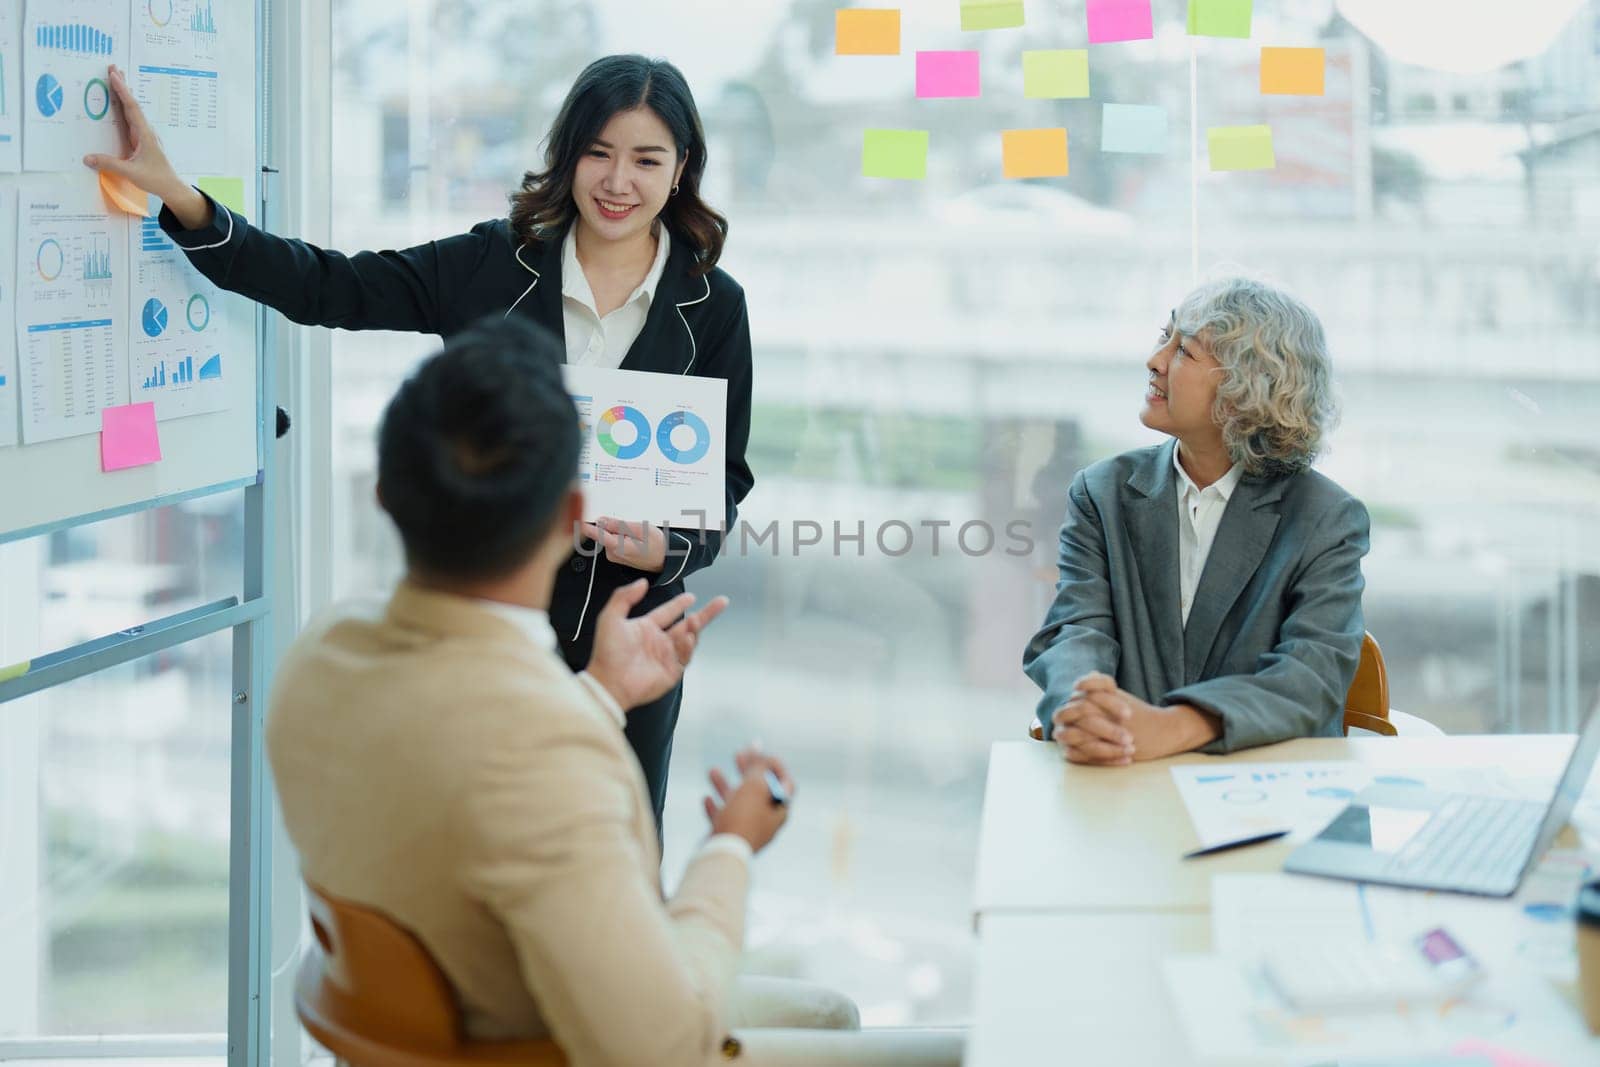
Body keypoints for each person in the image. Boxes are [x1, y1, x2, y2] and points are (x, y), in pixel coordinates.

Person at [86, 54, 750, 832]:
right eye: (598, 152)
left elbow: (723, 485)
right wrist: (182, 199)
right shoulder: (492, 265)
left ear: (681, 172)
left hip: (632, 635)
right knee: (470, 859)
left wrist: (662, 548)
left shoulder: (714, 306)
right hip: (487, 628)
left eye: (646, 160)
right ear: (568, 154)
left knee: (614, 867)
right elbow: (325, 284)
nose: (617, 181)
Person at [1023, 276, 1370, 765]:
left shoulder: (1327, 517)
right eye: (1163, 339)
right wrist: (1085, 705)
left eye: (1183, 351)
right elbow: (1075, 630)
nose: (1155, 361)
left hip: (1270, 788)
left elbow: (1311, 675)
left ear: (1245, 387)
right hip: (1127, 776)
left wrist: (1175, 727)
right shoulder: (1101, 492)